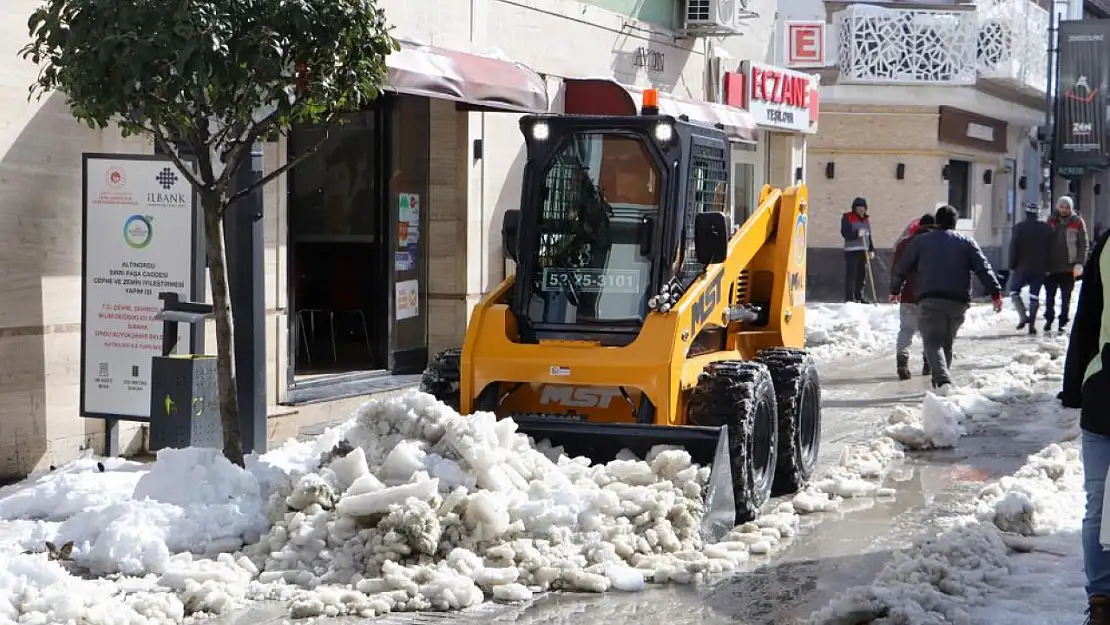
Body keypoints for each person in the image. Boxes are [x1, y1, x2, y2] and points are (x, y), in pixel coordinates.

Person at [888, 205, 1002, 393]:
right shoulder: (967, 242)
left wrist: (895, 289)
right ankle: (941, 384)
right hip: (958, 300)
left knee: (932, 341)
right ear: (955, 223)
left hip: (929, 297)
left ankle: (942, 381)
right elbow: (983, 267)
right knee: (947, 342)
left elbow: (902, 267)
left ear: (936, 221)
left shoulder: (920, 242)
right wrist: (996, 293)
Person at [1059, 227, 1110, 624]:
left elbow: (1087, 317)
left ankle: (1101, 600)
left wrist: (1074, 386)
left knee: (1099, 502)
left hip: (1102, 388)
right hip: (1103, 390)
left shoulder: (1107, 243)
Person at [891, 213, 936, 380]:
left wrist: (894, 290)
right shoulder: (939, 244)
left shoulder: (904, 244)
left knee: (906, 329)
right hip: (931, 295)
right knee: (929, 331)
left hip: (909, 294)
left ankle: (902, 362)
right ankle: (928, 364)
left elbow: (897, 269)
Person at [1045, 195, 1089, 333]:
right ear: (1057, 207)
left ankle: (1063, 321)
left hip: (1068, 266)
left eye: (1067, 207)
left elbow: (1083, 244)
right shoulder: (1050, 220)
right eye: (1061, 207)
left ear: (1071, 208)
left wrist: (1080, 263)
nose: (1064, 209)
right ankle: (1049, 319)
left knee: (1066, 297)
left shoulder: (1077, 221)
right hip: (1051, 266)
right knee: (1049, 295)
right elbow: (1043, 241)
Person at [1008, 203, 1054, 335]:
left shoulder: (1018, 228)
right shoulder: (1047, 229)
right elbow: (1051, 250)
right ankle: (1032, 326)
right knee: (1034, 295)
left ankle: (1023, 316)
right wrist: (1049, 266)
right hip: (1040, 267)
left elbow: (1013, 247)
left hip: (1022, 266)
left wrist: (1011, 265)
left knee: (1014, 291)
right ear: (1038, 214)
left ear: (1026, 213)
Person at [841, 197, 875, 303]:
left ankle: (859, 296)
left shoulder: (866, 220)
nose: (861, 210)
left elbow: (869, 236)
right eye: (858, 207)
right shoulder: (847, 217)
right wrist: (856, 234)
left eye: (863, 207)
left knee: (861, 275)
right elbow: (845, 233)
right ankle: (850, 298)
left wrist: (871, 249)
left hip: (863, 250)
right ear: (854, 208)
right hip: (852, 251)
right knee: (852, 275)